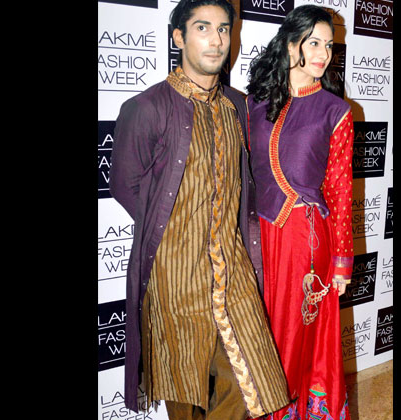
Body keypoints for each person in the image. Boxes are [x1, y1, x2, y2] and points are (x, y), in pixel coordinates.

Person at [109, 1, 289, 419]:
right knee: (185, 390)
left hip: (233, 268)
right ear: (179, 38)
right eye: (203, 28)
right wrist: (176, 233)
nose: (216, 39)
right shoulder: (146, 107)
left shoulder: (238, 106)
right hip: (175, 275)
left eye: (224, 29)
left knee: (250, 384)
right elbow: (124, 185)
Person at [245, 5, 355, 420]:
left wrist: (342, 263)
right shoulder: (254, 101)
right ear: (290, 44)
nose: (324, 53)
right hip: (257, 237)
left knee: (293, 338)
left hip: (304, 242)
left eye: (329, 45)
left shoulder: (334, 110)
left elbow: (341, 191)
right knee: (261, 336)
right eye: (314, 42)